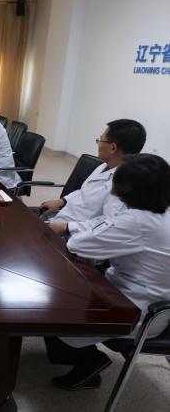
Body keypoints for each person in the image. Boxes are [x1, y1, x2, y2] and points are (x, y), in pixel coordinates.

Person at [45, 154, 170, 390]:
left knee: (56, 310)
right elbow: (105, 226)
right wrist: (71, 227)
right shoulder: (157, 213)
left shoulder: (138, 220)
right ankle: (80, 357)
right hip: (137, 292)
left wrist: (71, 231)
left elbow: (79, 244)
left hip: (141, 308)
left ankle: (88, 362)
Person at [41, 119, 146, 227]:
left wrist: (66, 227)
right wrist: (62, 201)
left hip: (74, 232)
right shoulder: (104, 166)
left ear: (112, 148)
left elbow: (105, 225)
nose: (98, 144)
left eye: (100, 140)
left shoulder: (123, 185)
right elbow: (84, 192)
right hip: (60, 217)